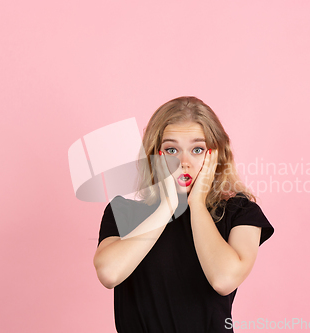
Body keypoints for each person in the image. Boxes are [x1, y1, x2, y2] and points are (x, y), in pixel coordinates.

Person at [93, 96, 275, 333]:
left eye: (197, 149)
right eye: (171, 150)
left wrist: (197, 203)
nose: (184, 162)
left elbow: (223, 280)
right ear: (155, 155)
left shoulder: (240, 212)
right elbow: (109, 273)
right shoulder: (124, 210)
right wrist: (168, 205)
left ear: (215, 156)